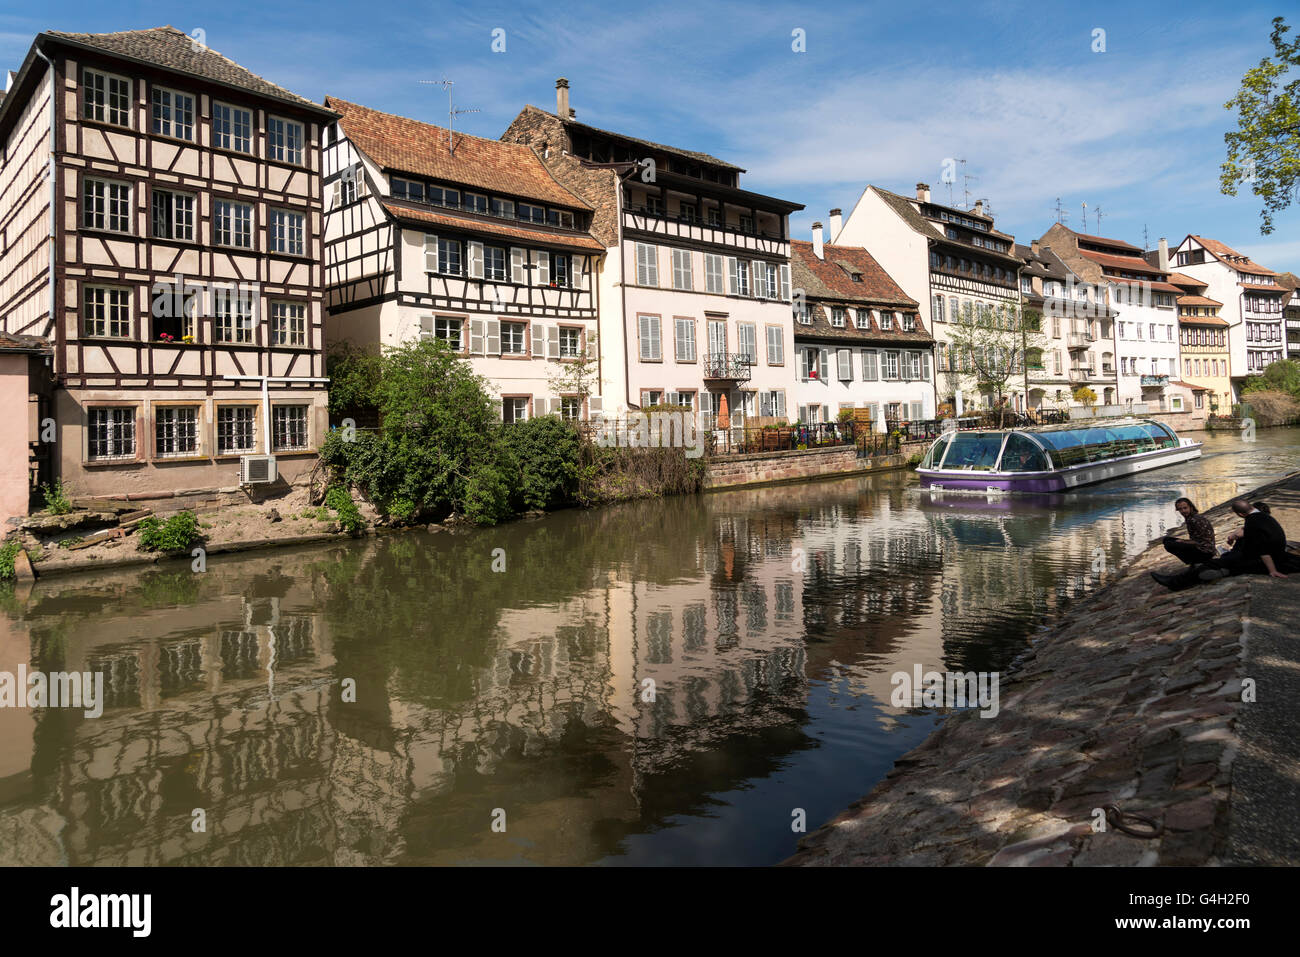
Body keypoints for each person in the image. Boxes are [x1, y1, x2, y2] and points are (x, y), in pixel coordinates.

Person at [1152, 499, 1291, 591]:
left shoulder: (1253, 523)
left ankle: (1175, 583)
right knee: (1225, 561)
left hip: (1259, 559)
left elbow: (1262, 549)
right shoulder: (1264, 517)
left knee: (1212, 564)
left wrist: (1272, 570)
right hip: (1267, 555)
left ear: (1240, 514)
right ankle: (1225, 570)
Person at [1161, 498, 1216, 565]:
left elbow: (1201, 541)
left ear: (1190, 507)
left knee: (1170, 544)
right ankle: (1193, 562)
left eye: (1185, 508)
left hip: (1206, 551)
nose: (1183, 511)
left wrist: (1183, 541)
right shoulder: (1190, 518)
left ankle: (1194, 562)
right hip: (1202, 547)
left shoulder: (1195, 519)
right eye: (1180, 509)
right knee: (1166, 539)